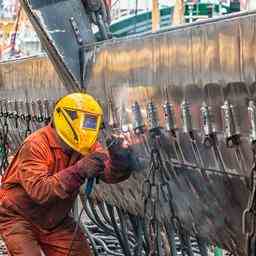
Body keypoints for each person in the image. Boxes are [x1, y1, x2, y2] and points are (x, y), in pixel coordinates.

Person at [0, 93, 135, 256]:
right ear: (65, 120)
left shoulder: (85, 145)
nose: (88, 128)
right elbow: (39, 191)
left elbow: (108, 173)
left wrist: (119, 158)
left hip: (55, 219)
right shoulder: (35, 145)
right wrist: (79, 170)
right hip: (18, 215)